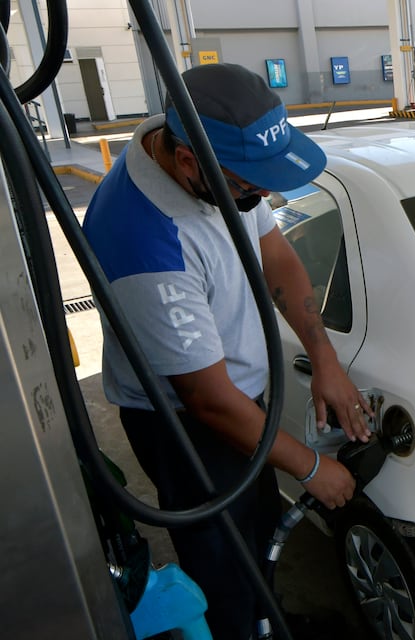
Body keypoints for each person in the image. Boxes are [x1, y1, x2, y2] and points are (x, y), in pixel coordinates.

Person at [82, 63, 372, 639]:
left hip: (239, 404)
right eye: (250, 186)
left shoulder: (206, 152)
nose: (263, 195)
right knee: (222, 564)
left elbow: (278, 258)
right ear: (188, 162)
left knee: (261, 530)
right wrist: (313, 467)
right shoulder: (144, 240)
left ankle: (267, 618)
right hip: (186, 428)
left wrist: (327, 363)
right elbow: (208, 402)